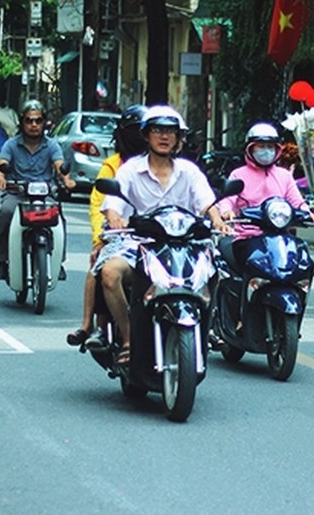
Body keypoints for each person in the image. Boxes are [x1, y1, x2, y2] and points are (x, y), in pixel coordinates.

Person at [98, 105, 230, 365]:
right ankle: (128, 338)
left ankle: (207, 330)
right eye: (157, 130)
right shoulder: (129, 170)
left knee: (218, 270)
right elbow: (112, 203)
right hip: (139, 244)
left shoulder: (189, 172)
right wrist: (114, 217)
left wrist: (218, 219)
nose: (164, 136)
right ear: (146, 136)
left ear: (178, 138)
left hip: (185, 245)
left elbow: (207, 203)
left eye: (170, 131)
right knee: (110, 273)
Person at [66, 104, 146, 349]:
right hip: (120, 236)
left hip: (158, 237)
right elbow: (99, 202)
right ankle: (93, 325)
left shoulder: (174, 168)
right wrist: (102, 235)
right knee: (100, 263)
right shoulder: (114, 166)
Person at [216, 121, 314, 266]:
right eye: (261, 146)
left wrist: (309, 214)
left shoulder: (284, 175)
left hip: (281, 237)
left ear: (277, 150)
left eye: (270, 147)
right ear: (250, 149)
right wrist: (227, 211)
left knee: (302, 261)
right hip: (248, 237)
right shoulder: (238, 175)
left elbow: (296, 201)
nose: (266, 151)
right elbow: (228, 199)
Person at [0, 100, 76, 281]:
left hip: (44, 194)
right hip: (17, 192)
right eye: (29, 121)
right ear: (22, 122)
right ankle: (2, 261)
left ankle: (58, 261)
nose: (33, 125)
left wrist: (67, 180)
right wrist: (1, 178)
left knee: (59, 217)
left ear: (43, 123)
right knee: (5, 212)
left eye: (38, 121)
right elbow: (1, 164)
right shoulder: (11, 144)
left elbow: (59, 164)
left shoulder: (52, 145)